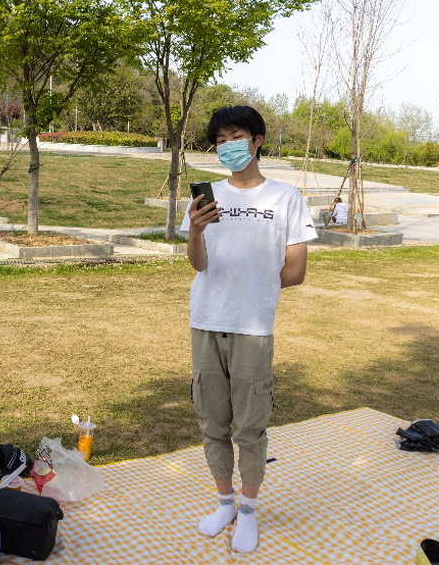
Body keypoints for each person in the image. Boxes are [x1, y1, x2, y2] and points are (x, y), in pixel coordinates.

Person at [181, 105, 318, 553]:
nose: (227, 147)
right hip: (206, 320)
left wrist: (253, 285)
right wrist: (195, 232)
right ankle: (225, 504)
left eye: (235, 137)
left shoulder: (286, 197)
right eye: (219, 141)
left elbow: (295, 272)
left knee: (250, 428)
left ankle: (249, 511)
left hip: (253, 327)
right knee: (212, 423)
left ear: (257, 140)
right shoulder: (206, 197)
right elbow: (199, 265)